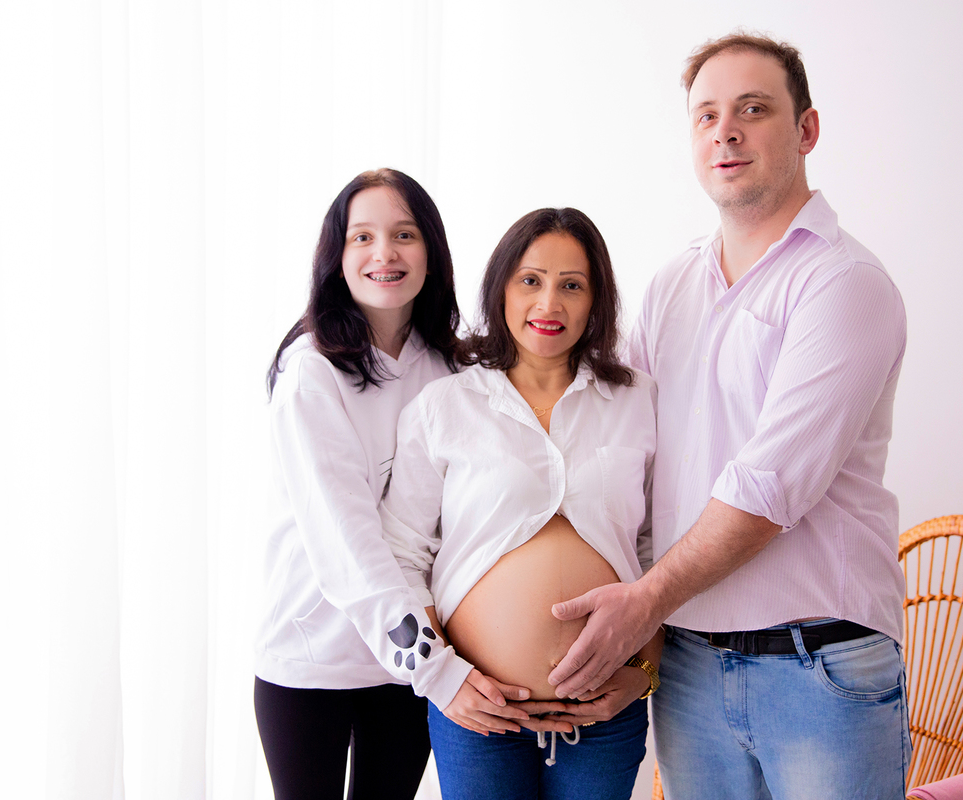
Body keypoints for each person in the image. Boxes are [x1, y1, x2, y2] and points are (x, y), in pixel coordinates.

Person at [545, 34, 911, 798]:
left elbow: (768, 488)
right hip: (687, 664)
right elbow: (627, 458)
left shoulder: (845, 284)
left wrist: (640, 606)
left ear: (806, 130)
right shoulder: (671, 284)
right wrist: (642, 649)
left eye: (752, 109)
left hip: (819, 668)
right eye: (706, 115)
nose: (726, 132)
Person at [255, 168, 518, 800]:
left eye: (404, 234)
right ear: (337, 258)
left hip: (408, 671)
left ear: (431, 250)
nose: (385, 254)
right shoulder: (310, 373)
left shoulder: (454, 367)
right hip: (314, 657)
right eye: (363, 237)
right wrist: (436, 668)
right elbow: (347, 543)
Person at [380, 207, 661, 800]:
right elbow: (401, 556)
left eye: (572, 285)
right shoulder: (444, 406)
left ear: (596, 300)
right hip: (478, 714)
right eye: (530, 280)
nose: (549, 303)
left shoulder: (638, 400)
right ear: (501, 289)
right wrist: (443, 679)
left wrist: (642, 674)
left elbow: (659, 549)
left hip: (605, 714)